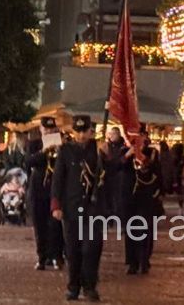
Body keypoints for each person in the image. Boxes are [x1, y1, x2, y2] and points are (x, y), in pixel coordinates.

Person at [51, 115, 105, 302]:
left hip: (93, 206)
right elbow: (58, 179)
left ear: (91, 130)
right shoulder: (66, 151)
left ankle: (89, 286)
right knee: (73, 249)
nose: (82, 135)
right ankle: (73, 286)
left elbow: (110, 174)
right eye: (78, 131)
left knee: (92, 248)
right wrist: (56, 205)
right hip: (71, 206)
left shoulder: (99, 150)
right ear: (73, 131)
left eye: (85, 131)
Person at [25, 122, 64, 271]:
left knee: (55, 225)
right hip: (38, 188)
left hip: (54, 189)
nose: (48, 131)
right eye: (45, 128)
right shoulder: (34, 144)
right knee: (39, 224)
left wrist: (59, 150)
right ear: (41, 129)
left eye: (50, 129)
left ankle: (56, 256)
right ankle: (42, 257)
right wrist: (43, 151)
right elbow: (28, 161)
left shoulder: (61, 143)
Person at [124, 134, 163, 275]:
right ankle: (132, 262)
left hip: (148, 199)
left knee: (146, 232)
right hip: (131, 199)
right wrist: (128, 156)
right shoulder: (127, 153)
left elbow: (158, 176)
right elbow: (118, 168)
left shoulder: (152, 154)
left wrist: (158, 193)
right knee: (131, 232)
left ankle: (144, 260)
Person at [102, 127, 133, 219]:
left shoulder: (124, 148)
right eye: (111, 133)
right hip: (109, 178)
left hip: (121, 179)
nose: (112, 136)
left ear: (119, 135)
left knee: (120, 202)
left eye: (114, 133)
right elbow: (110, 162)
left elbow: (123, 164)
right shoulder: (106, 147)